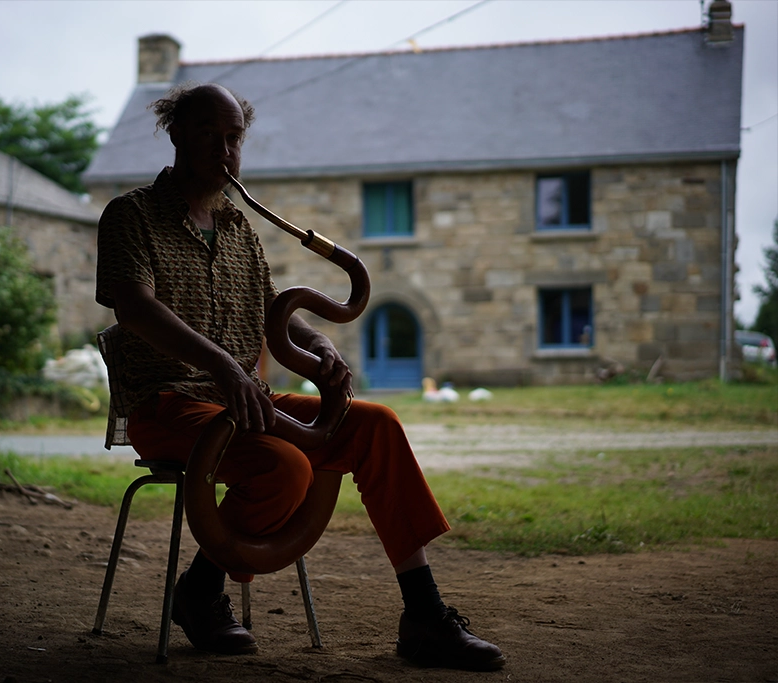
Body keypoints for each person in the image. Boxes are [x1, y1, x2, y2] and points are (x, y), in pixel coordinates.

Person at [95, 82, 505, 671]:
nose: (225, 148)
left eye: (235, 136)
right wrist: (219, 366)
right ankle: (204, 590)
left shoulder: (239, 228)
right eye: (210, 133)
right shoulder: (129, 214)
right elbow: (134, 306)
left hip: (241, 405)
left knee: (376, 427)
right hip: (167, 405)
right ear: (177, 133)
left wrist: (320, 348)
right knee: (284, 465)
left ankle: (425, 616)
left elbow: (273, 322)